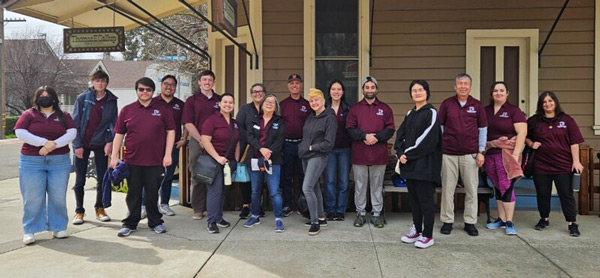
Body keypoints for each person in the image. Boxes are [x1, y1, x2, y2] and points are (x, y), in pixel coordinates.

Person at [111, 78, 175, 237]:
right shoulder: (127, 110)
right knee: (133, 193)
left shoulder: (163, 110)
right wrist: (114, 157)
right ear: (136, 91)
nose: (144, 92)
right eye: (141, 89)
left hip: (155, 160)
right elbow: (119, 135)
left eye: (148, 89)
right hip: (132, 160)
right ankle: (130, 223)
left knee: (153, 193)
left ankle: (156, 222)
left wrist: (168, 154)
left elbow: (171, 132)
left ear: (153, 92)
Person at [15, 86, 76, 245]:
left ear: (55, 98)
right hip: (31, 162)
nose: (45, 98)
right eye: (41, 96)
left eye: (48, 95)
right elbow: (20, 132)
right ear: (36, 99)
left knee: (58, 196)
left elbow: (72, 132)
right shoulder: (29, 115)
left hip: (59, 161)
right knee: (33, 197)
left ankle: (59, 227)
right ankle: (30, 230)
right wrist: (43, 143)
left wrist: (51, 146)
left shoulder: (64, 115)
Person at [525, 91, 583, 237]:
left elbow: (574, 142)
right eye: (544, 102)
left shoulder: (567, 120)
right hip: (541, 165)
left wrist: (576, 161)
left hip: (563, 165)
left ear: (555, 102)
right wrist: (531, 143)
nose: (548, 104)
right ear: (541, 105)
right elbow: (523, 136)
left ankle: (572, 223)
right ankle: (544, 219)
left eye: (550, 101)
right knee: (543, 194)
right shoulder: (534, 121)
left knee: (566, 194)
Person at [438, 73, 487, 236]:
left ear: (470, 87)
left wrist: (481, 151)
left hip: (471, 154)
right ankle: (447, 221)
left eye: (466, 84)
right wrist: (443, 146)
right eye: (460, 83)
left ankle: (470, 222)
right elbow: (441, 127)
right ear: (455, 86)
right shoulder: (447, 104)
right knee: (448, 189)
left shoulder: (477, 106)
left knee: (472, 190)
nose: (463, 86)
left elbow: (483, 130)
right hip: (449, 153)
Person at [395, 80, 441, 249]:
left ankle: (428, 235)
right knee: (414, 201)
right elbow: (400, 136)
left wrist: (408, 154)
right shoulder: (410, 114)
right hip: (410, 166)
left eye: (420, 90)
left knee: (426, 201)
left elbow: (428, 140)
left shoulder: (431, 113)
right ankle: (417, 230)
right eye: (414, 90)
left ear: (427, 92)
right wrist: (400, 153)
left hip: (425, 167)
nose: (417, 93)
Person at [346, 76, 395, 228]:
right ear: (363, 90)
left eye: (372, 87)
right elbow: (350, 128)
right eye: (366, 87)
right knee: (360, 185)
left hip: (378, 154)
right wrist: (364, 136)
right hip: (360, 154)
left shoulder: (385, 108)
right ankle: (360, 214)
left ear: (376, 89)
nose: (369, 90)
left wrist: (377, 138)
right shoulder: (355, 109)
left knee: (377, 186)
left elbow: (390, 128)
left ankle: (376, 214)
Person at [71, 70, 118, 225]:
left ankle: (100, 208)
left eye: (103, 80)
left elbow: (113, 123)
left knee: (102, 179)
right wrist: (77, 145)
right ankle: (79, 211)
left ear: (106, 83)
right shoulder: (83, 99)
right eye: (97, 80)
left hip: (101, 143)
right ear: (92, 82)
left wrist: (110, 142)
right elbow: (75, 123)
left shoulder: (111, 100)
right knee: (80, 180)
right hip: (83, 143)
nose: (100, 83)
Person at [483, 82, 527, 235]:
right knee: (497, 186)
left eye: (502, 90)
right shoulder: (485, 111)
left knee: (506, 185)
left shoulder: (514, 111)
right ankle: (501, 219)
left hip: (507, 154)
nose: (498, 93)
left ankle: (509, 221)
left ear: (507, 93)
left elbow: (522, 133)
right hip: (490, 154)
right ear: (492, 93)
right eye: (495, 90)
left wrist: (515, 154)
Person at [140, 75, 187, 218]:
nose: (169, 87)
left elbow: (186, 123)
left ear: (175, 87)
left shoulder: (180, 104)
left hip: (172, 146)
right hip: (153, 146)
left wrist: (184, 138)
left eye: (172, 85)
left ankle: (164, 204)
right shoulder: (152, 102)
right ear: (161, 85)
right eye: (166, 84)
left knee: (167, 175)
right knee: (149, 176)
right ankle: (144, 206)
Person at [242, 94, 286, 232]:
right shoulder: (254, 120)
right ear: (261, 105)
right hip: (255, 158)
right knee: (255, 190)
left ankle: (278, 219)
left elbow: (280, 141)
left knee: (274, 191)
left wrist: (268, 152)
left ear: (276, 107)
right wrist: (261, 149)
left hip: (273, 160)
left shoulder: (280, 121)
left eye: (272, 102)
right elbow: (249, 137)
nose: (269, 103)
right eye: (267, 101)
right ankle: (255, 215)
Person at [182, 70, 221, 220]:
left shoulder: (219, 100)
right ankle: (198, 208)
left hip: (217, 142)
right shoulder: (192, 100)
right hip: (197, 141)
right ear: (199, 82)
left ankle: (215, 207)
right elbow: (188, 122)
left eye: (210, 80)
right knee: (197, 174)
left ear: (213, 82)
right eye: (204, 79)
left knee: (216, 173)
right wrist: (201, 139)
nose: (207, 82)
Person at [298, 89, 337, 235]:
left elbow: (329, 143)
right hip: (306, 156)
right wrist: (302, 148)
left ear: (323, 101)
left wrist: (311, 147)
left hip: (318, 156)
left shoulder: (330, 118)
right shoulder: (311, 117)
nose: (314, 103)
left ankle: (314, 222)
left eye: (316, 100)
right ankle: (321, 216)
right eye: (311, 100)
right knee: (313, 187)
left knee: (306, 187)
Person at [201, 93, 240, 234]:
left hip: (228, 164)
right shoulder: (211, 120)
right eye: (225, 102)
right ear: (219, 104)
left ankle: (218, 217)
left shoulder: (235, 123)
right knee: (215, 191)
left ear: (234, 105)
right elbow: (205, 141)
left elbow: (237, 144)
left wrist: (236, 160)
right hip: (213, 161)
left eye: (231, 102)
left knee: (223, 191)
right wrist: (218, 157)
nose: (228, 104)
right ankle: (211, 222)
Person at [279, 73, 310, 216]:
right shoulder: (282, 105)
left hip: (302, 145)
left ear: (301, 85)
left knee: (303, 175)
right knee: (287, 176)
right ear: (288, 86)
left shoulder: (307, 104)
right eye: (291, 83)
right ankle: (287, 204)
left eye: (297, 83)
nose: (294, 85)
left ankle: (303, 205)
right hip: (287, 145)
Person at [236, 83, 266, 219]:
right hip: (248, 149)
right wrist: (251, 139)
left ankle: (257, 206)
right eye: (254, 92)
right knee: (247, 179)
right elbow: (239, 127)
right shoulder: (245, 109)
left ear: (265, 93)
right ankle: (246, 206)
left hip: (264, 150)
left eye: (260, 91)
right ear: (251, 94)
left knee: (261, 178)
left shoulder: (268, 107)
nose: (257, 94)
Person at [323, 80, 351, 221]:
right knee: (329, 181)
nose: (336, 92)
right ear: (329, 92)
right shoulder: (323, 108)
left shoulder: (348, 109)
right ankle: (330, 209)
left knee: (344, 181)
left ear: (343, 92)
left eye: (339, 89)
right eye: (333, 89)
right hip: (328, 150)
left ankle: (340, 210)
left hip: (345, 148)